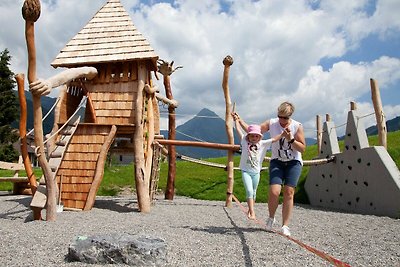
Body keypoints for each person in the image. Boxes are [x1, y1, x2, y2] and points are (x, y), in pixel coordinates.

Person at [233, 101, 306, 236]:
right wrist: (239, 120)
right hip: (277, 161)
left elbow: (302, 148)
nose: (281, 120)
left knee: (289, 192)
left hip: (293, 162)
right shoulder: (272, 123)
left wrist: (291, 139)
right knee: (274, 191)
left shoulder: (297, 126)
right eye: (280, 116)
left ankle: (285, 225)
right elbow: (253, 131)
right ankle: (271, 217)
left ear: (290, 116)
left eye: (285, 118)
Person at [233, 121, 282, 220]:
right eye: (252, 136)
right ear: (248, 136)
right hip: (245, 171)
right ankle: (252, 211)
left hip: (256, 172)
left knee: (254, 192)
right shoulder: (244, 141)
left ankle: (250, 210)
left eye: (256, 136)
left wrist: (284, 134)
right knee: (249, 190)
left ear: (259, 137)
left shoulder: (262, 144)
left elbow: (274, 139)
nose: (254, 138)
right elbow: (238, 130)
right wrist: (236, 121)